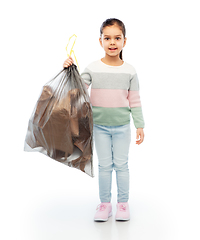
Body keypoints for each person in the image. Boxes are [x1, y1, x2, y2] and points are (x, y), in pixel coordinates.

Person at [63, 18, 145, 222]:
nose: (112, 42)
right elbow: (77, 91)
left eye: (117, 38)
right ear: (100, 41)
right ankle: (105, 205)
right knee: (104, 166)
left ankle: (123, 204)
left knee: (122, 165)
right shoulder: (92, 68)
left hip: (122, 127)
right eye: (107, 38)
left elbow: (134, 100)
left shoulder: (130, 71)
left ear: (125, 41)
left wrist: (139, 125)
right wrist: (68, 69)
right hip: (98, 127)